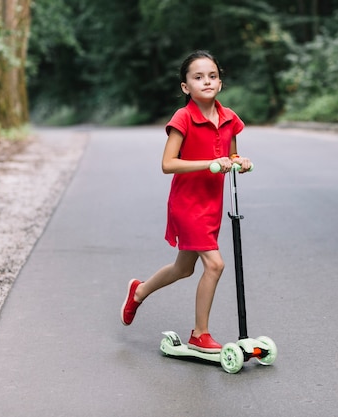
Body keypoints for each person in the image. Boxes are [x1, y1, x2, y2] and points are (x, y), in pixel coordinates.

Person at [120, 50, 251, 353]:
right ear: (185, 87)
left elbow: (229, 156)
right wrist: (208, 163)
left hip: (212, 204)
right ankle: (200, 334)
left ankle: (138, 292)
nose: (207, 81)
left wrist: (238, 161)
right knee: (215, 265)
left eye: (213, 76)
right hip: (187, 202)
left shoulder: (229, 118)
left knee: (184, 268)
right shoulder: (183, 117)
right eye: (198, 77)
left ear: (220, 81)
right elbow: (168, 163)